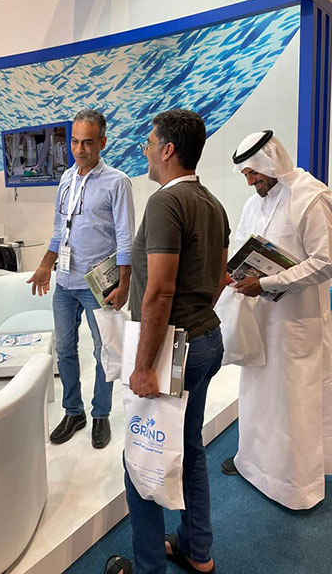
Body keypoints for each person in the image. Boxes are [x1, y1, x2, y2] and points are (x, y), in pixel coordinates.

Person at [105, 109, 229, 574]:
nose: (146, 151)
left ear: (168, 149)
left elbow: (159, 291)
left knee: (143, 457)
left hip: (171, 350)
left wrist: (142, 366)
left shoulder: (165, 202)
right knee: (188, 449)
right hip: (206, 339)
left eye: (150, 142)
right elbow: (218, 279)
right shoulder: (212, 202)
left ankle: (149, 566)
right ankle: (197, 549)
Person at [221, 130, 332, 510]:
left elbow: (324, 263)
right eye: (246, 175)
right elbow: (241, 247)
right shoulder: (253, 204)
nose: (250, 182)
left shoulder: (310, 198)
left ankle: (295, 485)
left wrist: (267, 283)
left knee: (293, 402)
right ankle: (252, 463)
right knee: (256, 394)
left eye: (253, 173)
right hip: (259, 320)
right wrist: (234, 275)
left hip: (296, 323)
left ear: (271, 163)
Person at [28, 109, 135, 449]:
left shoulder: (117, 182)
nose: (79, 149)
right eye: (74, 142)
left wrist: (124, 283)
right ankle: (73, 411)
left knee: (105, 350)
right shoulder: (66, 178)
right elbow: (59, 230)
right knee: (64, 348)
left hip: (97, 284)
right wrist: (45, 264)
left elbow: (126, 237)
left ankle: (101, 414)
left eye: (87, 142)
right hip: (64, 281)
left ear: (102, 142)